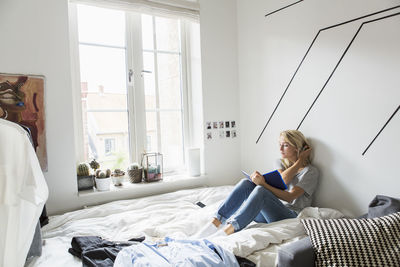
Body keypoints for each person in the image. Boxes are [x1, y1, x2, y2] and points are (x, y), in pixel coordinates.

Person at [194, 130, 319, 238]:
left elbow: (290, 197)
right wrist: (259, 182)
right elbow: (283, 180)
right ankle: (214, 223)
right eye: (279, 145)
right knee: (246, 183)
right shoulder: (280, 163)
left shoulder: (311, 172)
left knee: (261, 191)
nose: (280, 149)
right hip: (268, 213)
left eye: (285, 145)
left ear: (297, 148)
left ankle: (225, 233)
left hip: (289, 215)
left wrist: (300, 161)